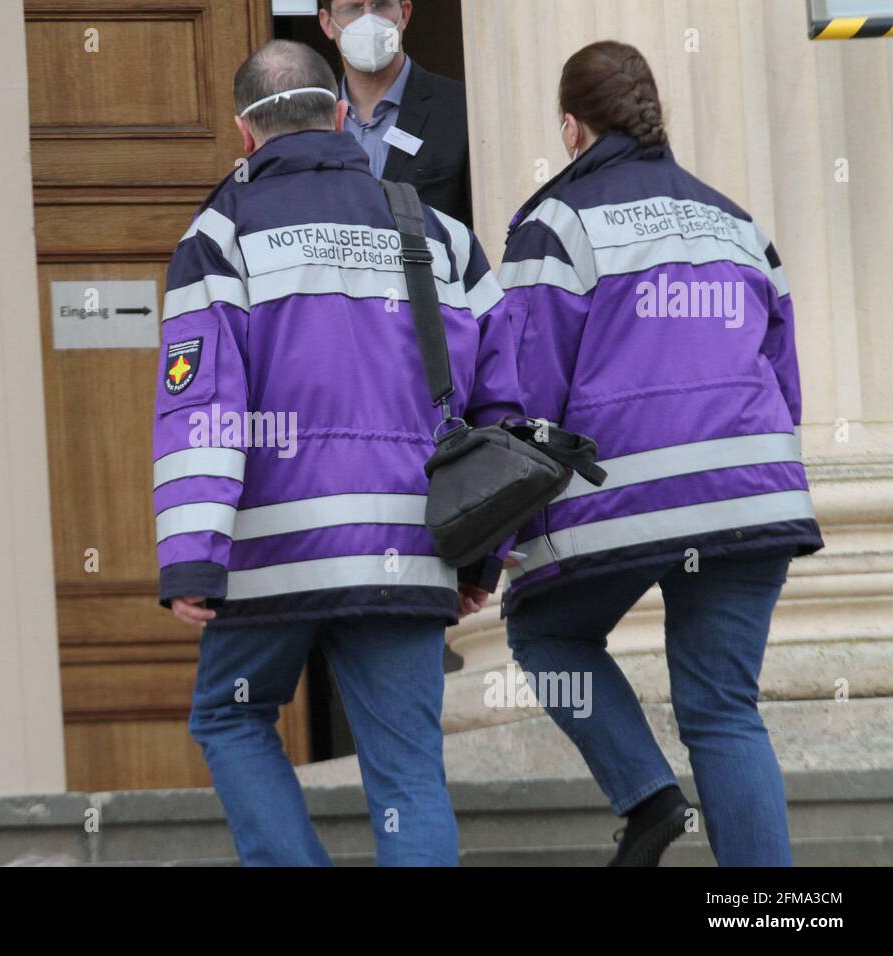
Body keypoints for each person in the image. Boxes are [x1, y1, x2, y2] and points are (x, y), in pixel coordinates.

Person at [152, 39, 522, 866]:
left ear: (243, 136)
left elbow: (200, 407)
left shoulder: (219, 235)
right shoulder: (439, 232)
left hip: (273, 553)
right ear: (343, 116)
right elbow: (504, 403)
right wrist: (478, 558)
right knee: (409, 775)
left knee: (231, 715)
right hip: (408, 547)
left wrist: (193, 558)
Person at [498, 40, 824, 867]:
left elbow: (528, 393)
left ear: (571, 128)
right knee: (722, 708)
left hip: (626, 497)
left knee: (544, 632)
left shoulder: (556, 223)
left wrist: (508, 538)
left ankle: (648, 798)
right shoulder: (735, 220)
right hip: (756, 498)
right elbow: (785, 381)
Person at [316, 0, 473, 224]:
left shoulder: (459, 107)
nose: (368, 20)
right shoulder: (310, 119)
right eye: (353, 8)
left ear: (405, 14)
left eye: (381, 5)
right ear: (327, 24)